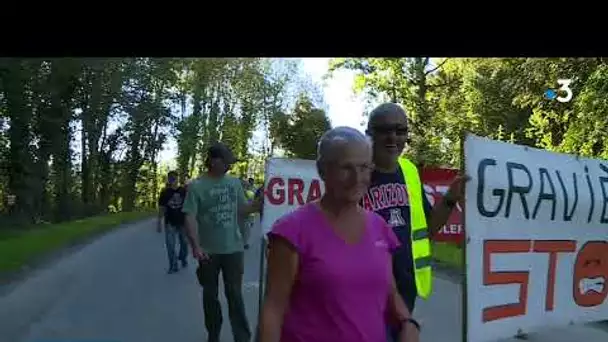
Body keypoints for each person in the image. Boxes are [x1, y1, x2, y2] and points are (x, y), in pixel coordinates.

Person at [259, 127, 420, 342]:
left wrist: (408, 322)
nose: (357, 178)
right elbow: (273, 310)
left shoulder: (379, 228)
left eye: (364, 168)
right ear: (323, 170)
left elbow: (390, 293)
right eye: (346, 168)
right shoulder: (292, 231)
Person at [364, 103, 466, 341]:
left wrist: (450, 199)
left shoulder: (409, 171)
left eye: (400, 131)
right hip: (365, 295)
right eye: (385, 130)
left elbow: (428, 228)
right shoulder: (357, 172)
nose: (393, 137)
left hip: (406, 292)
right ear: (370, 133)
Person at [182, 142, 261, 342]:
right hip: (208, 252)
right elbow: (189, 216)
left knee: (235, 295)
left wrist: (259, 205)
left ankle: (242, 337)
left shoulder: (234, 183)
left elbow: (242, 210)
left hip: (233, 249)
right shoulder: (197, 186)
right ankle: (213, 334)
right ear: (214, 161)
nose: (230, 165)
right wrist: (196, 246)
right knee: (210, 296)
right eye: (227, 161)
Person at [157, 171, 189, 274]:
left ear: (177, 179)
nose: (173, 180)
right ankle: (173, 265)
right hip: (170, 222)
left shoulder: (183, 191)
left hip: (182, 221)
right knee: (170, 245)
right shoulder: (164, 193)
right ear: (168, 180)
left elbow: (190, 205)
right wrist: (159, 222)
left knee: (184, 243)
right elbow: (161, 208)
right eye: (171, 179)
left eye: (174, 178)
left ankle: (183, 257)